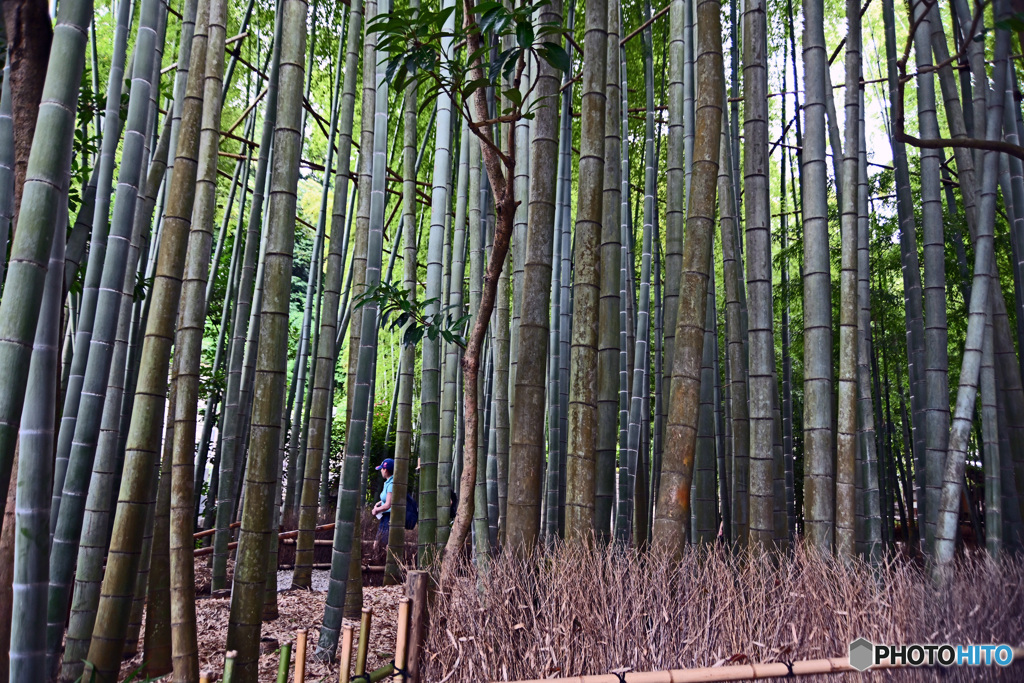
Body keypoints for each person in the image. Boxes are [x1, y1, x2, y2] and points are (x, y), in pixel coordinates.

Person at [372, 458, 395, 545]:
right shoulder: (388, 483)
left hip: (389, 518)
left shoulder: (391, 484)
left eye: (381, 469)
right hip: (385, 516)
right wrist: (378, 503)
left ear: (385, 470)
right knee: (377, 543)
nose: (381, 471)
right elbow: (386, 499)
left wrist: (376, 510)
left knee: (382, 545)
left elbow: (388, 505)